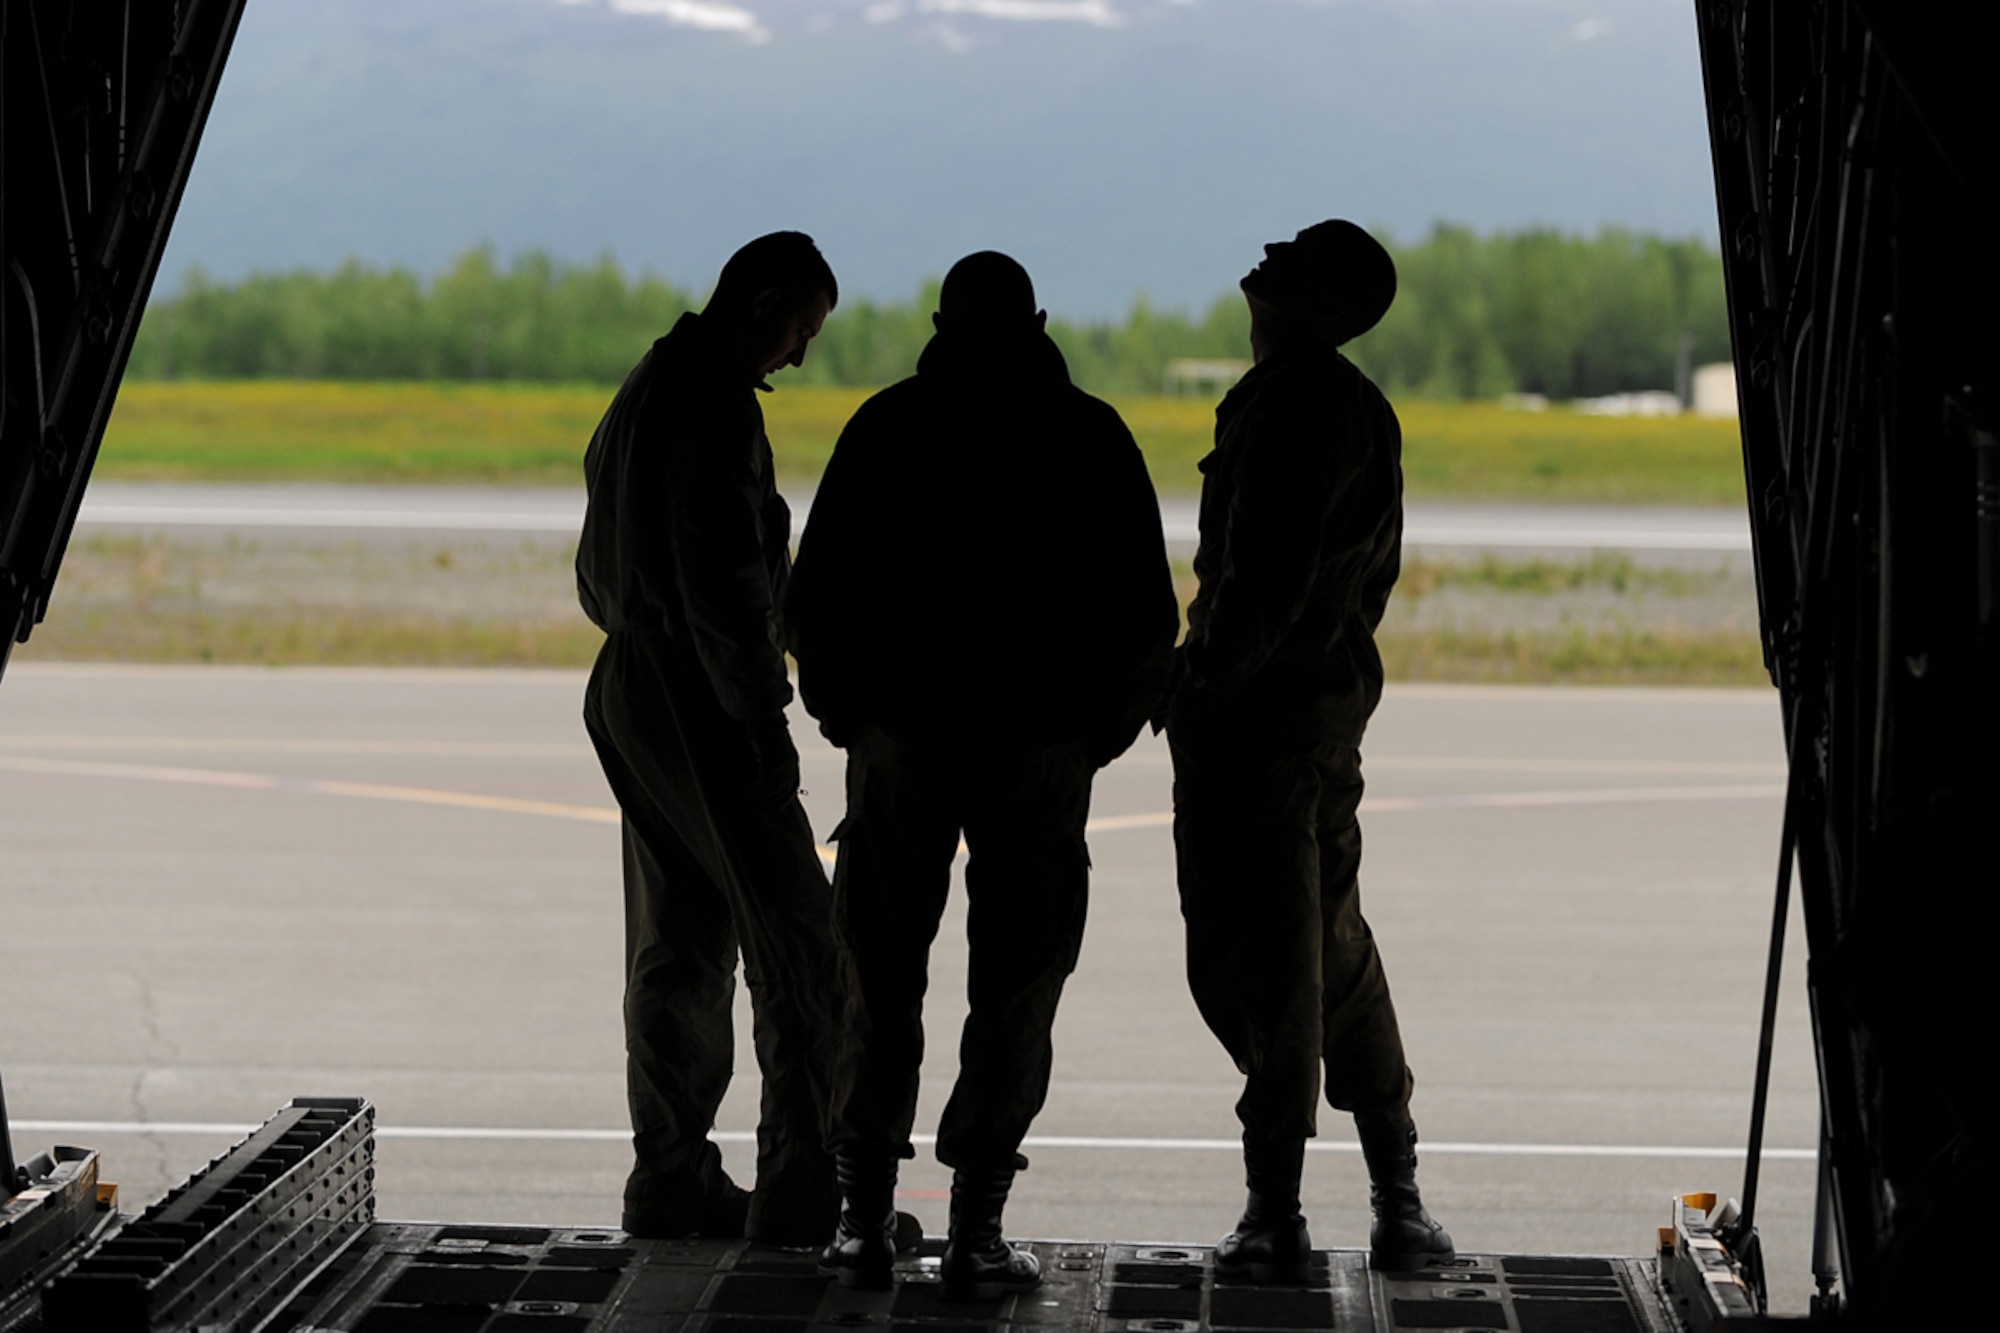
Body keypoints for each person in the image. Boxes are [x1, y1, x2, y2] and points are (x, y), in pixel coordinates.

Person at [788, 251, 1178, 1298]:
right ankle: (974, 1234)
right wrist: (1088, 734)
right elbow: (1147, 617)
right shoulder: (1090, 436)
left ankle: (863, 1222)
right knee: (1016, 983)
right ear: (1038, 321)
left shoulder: (885, 426)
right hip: (1038, 751)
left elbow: (813, 596)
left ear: (938, 321)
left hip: (903, 743)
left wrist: (847, 718)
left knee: (877, 970)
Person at [1165, 220, 1454, 1280]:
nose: (1267, 251)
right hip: (1308, 722)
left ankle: (1275, 1211)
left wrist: (1193, 679)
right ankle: (1395, 1195)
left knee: (1271, 963)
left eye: (1294, 255)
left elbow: (1263, 586)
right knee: (1325, 949)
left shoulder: (1294, 409)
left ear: (1315, 303)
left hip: (1261, 729)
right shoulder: (1337, 406)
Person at [576, 230, 843, 1247]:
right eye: (797, 328)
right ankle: (801, 1191)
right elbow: (725, 583)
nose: (798, 356)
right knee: (799, 941)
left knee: (680, 941)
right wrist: (760, 714)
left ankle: (672, 1177)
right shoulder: (710, 403)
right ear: (761, 299)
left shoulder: (651, 380)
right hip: (693, 689)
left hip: (633, 681)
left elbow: (602, 566)